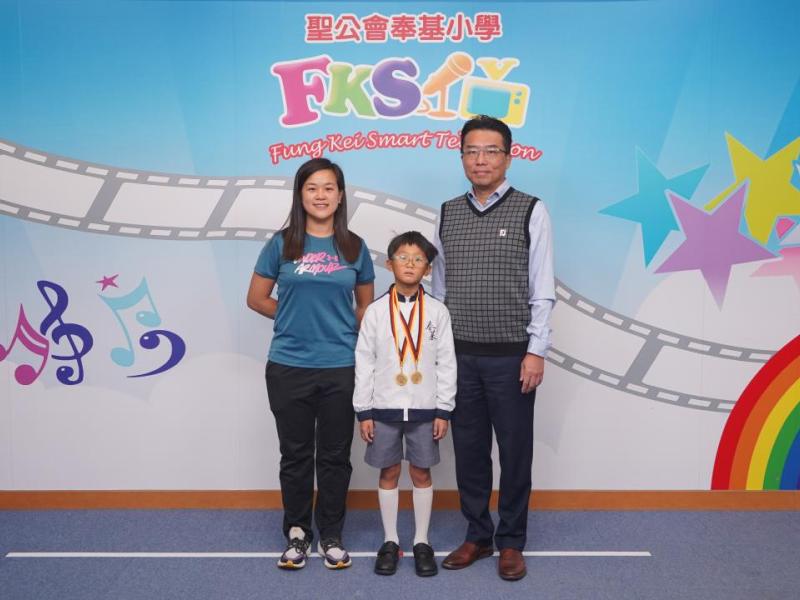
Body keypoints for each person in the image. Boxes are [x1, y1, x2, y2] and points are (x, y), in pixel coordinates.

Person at [431, 115, 555, 581]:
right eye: (471, 151)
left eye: (490, 151)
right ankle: (478, 534)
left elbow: (542, 286)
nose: (480, 160)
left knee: (515, 451)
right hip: (460, 356)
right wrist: (438, 353)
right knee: (469, 450)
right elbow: (439, 290)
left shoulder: (531, 210)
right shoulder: (447, 212)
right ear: (461, 156)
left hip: (512, 357)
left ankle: (512, 540)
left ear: (508, 156)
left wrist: (536, 350)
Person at [247, 157, 375, 571]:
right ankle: (298, 532)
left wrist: (342, 330)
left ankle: (331, 534)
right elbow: (256, 298)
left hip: (340, 366)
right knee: (296, 455)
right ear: (300, 195)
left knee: (335, 456)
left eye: (329, 188)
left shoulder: (355, 247)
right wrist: (292, 318)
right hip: (288, 366)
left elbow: (365, 309)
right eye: (312, 188)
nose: (321, 195)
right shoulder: (281, 244)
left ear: (340, 196)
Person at [353, 231, 456, 577]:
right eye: (402, 257)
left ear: (428, 268)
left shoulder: (438, 312)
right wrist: (363, 411)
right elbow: (364, 362)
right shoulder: (376, 312)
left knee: (421, 472)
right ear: (389, 264)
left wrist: (443, 409)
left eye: (418, 259)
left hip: (425, 409)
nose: (410, 264)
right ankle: (391, 541)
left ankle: (422, 541)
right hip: (383, 408)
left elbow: (447, 363)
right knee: (389, 472)